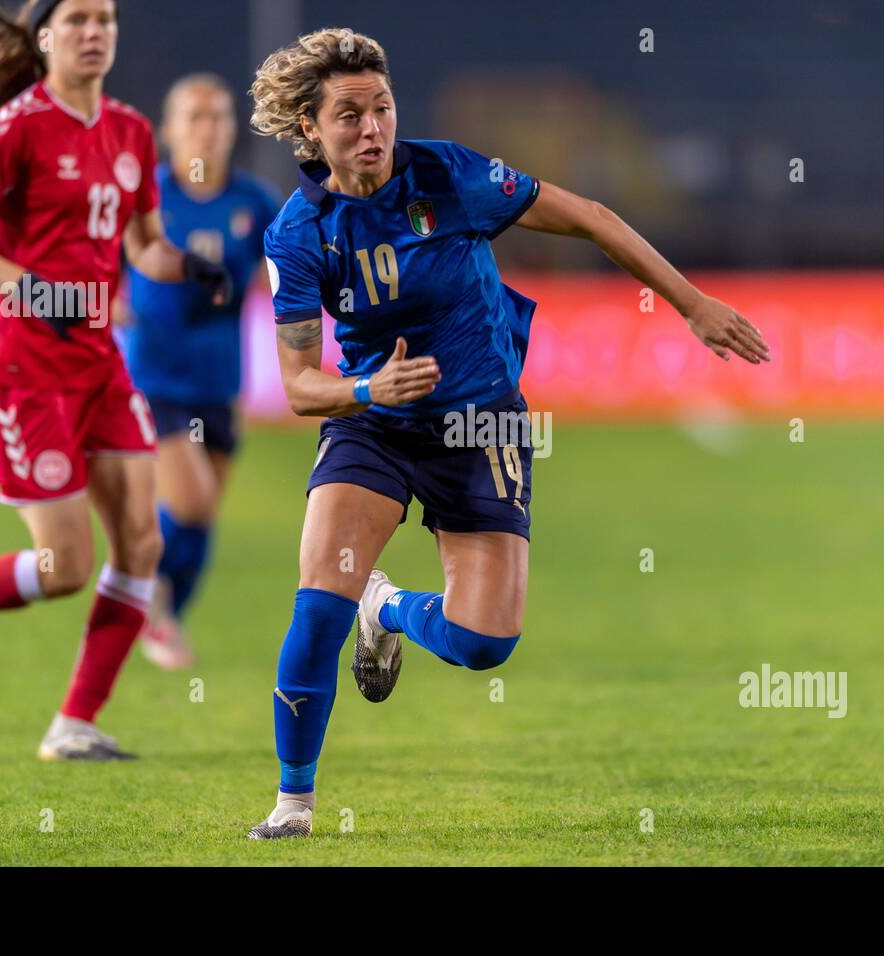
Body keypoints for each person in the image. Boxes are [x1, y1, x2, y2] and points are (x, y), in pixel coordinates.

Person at [246, 28, 768, 838]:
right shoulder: (298, 233)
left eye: (381, 106)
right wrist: (365, 388)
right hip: (374, 426)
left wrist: (690, 302)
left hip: (481, 422)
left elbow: (591, 216)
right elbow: (298, 386)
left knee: (483, 644)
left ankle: (385, 611)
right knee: (317, 603)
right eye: (349, 114)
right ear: (309, 129)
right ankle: (293, 804)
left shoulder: (449, 175)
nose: (373, 128)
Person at [0, 0, 230, 760]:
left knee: (141, 543)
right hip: (25, 370)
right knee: (63, 567)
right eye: (77, 21)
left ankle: (74, 723)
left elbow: (145, 247)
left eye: (105, 19)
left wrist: (189, 266)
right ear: (45, 39)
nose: (95, 31)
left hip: (99, 363)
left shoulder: (131, 131)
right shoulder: (17, 126)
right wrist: (32, 289)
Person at [120, 73, 281, 670]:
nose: (208, 129)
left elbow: (291, 264)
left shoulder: (254, 202)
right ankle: (140, 579)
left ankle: (167, 614)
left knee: (206, 511)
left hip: (221, 381)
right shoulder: (145, 196)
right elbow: (99, 266)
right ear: (168, 130)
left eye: (218, 117)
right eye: (194, 117)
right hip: (155, 376)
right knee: (189, 500)